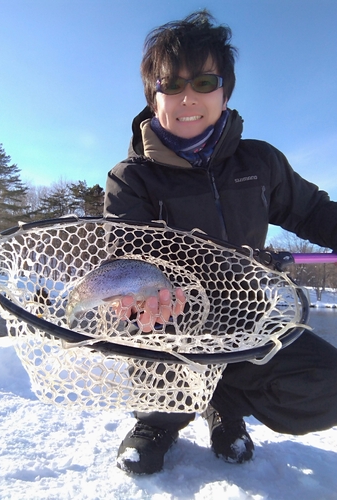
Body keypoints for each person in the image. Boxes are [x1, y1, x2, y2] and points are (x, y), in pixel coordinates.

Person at [103, 10, 337, 475]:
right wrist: (135, 301)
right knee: (152, 342)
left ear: (224, 91)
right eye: (171, 85)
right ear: (155, 99)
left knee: (328, 385)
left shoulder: (262, 162)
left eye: (204, 81)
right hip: (169, 326)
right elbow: (124, 255)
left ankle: (221, 405)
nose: (188, 96)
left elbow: (314, 211)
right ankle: (159, 420)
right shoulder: (131, 178)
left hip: (245, 321)